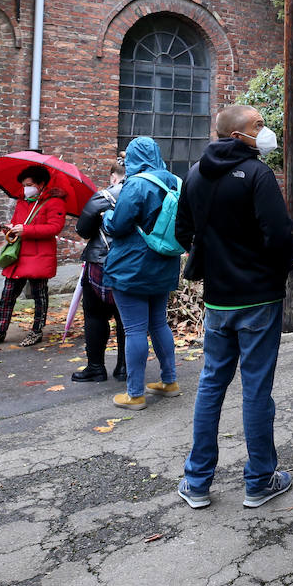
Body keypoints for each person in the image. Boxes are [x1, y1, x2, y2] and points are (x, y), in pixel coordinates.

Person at [174, 105, 293, 510]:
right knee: (257, 389)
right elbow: (279, 234)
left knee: (211, 384)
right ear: (236, 134)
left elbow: (182, 231)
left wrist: (217, 261)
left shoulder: (195, 174)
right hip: (258, 298)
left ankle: (196, 482)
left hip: (218, 299)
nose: (265, 132)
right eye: (258, 126)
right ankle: (260, 480)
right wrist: (271, 273)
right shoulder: (258, 175)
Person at [103, 136, 181, 411]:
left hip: (132, 266)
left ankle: (135, 394)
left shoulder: (136, 184)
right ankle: (169, 381)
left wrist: (106, 217)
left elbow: (119, 224)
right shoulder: (174, 181)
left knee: (135, 328)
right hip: (164, 263)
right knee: (159, 323)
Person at [0, 164, 67, 348]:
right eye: (23, 185)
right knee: (7, 295)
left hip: (39, 256)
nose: (25, 189)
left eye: (29, 184)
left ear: (41, 184)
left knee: (39, 296)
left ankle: (36, 331)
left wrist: (26, 229)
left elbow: (54, 228)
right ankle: (0, 331)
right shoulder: (23, 201)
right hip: (19, 255)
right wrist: (10, 227)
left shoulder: (55, 202)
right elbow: (18, 223)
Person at [71, 160, 128, 382]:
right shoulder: (144, 193)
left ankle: (96, 367)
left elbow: (83, 230)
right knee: (127, 318)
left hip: (100, 263)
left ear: (114, 177)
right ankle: (124, 368)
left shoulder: (103, 197)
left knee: (95, 315)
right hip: (131, 264)